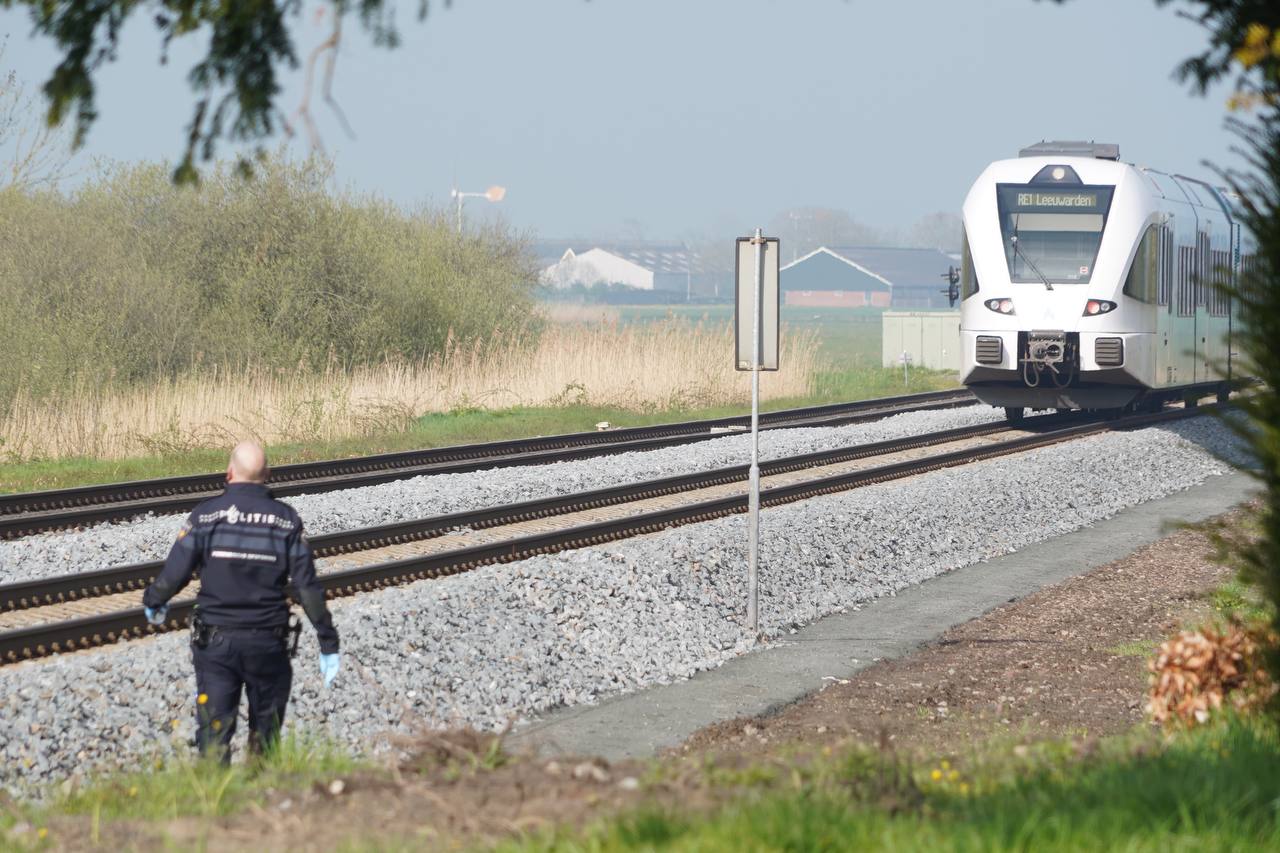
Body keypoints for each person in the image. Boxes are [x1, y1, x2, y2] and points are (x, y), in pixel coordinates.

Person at [142, 441, 340, 761]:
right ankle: (259, 796)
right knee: (266, 731)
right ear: (268, 475)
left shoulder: (205, 517)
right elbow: (307, 588)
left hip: (216, 643)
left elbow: (174, 574)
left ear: (229, 472)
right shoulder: (287, 521)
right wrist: (328, 641)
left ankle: (216, 800)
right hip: (268, 642)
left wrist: (154, 600)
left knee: (214, 731)